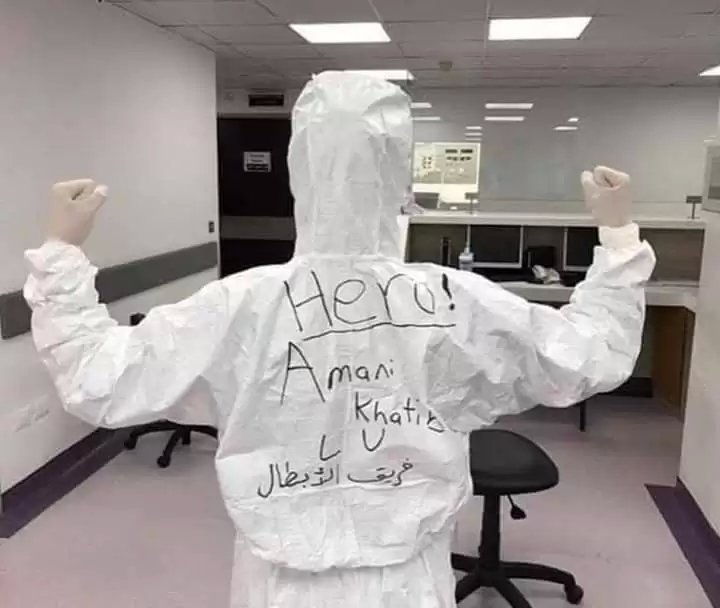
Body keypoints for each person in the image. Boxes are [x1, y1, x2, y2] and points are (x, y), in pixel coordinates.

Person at [24, 71, 655, 608]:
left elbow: (97, 377)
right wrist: (619, 239)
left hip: (279, 584)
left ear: (299, 168)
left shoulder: (241, 306)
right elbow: (589, 354)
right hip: (408, 582)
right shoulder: (451, 302)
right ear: (400, 170)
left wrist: (60, 254)